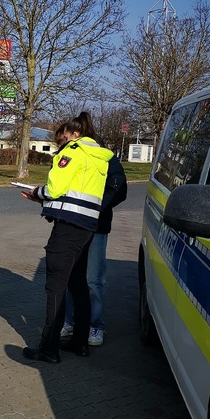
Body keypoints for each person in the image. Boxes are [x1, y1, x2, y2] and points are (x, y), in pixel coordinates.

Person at [20, 111, 113, 363]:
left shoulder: (72, 151)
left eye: (61, 138)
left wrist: (36, 193)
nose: (60, 143)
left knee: (55, 288)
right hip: (86, 226)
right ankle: (80, 342)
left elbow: (56, 189)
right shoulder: (98, 156)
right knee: (77, 284)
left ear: (73, 134)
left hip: (67, 226)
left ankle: (48, 348)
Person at [61, 134, 127, 347]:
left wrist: (97, 207)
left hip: (97, 227)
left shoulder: (107, 160)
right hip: (74, 224)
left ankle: (95, 324)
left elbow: (120, 190)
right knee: (72, 277)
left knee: (93, 279)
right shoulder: (75, 156)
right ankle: (70, 321)